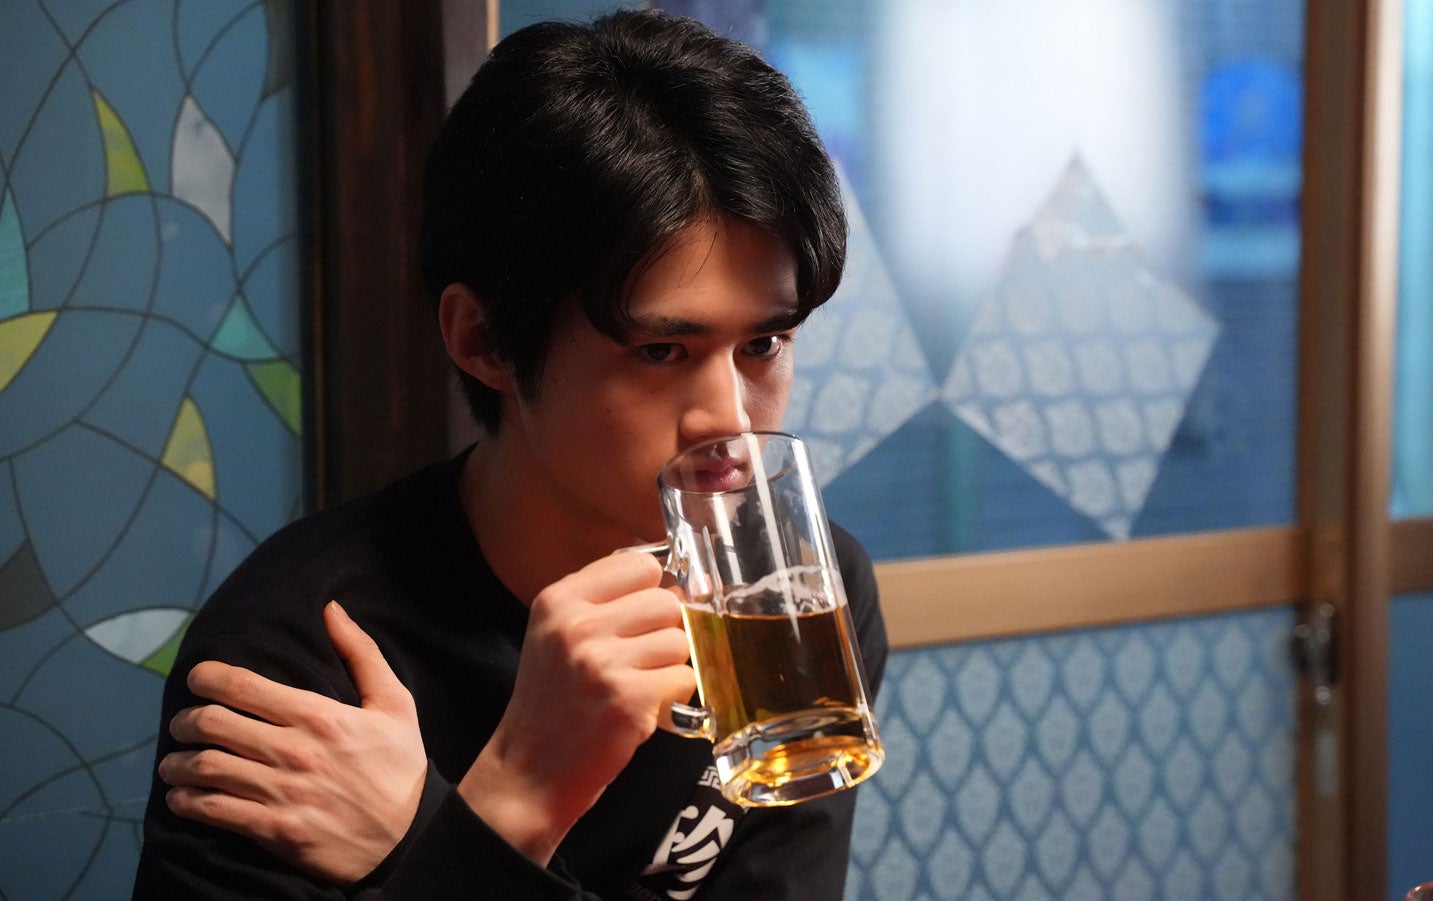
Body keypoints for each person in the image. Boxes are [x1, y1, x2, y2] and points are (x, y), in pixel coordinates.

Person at [133, 10, 883, 899]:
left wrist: (432, 841)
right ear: (483, 339)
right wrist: (520, 793)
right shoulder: (294, 662)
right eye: (661, 351)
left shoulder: (795, 595)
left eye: (763, 344)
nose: (727, 417)